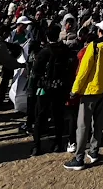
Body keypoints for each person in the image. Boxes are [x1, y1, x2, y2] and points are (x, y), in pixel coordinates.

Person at [64, 19, 103, 171]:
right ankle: (94, 151)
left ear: (100, 31)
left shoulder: (94, 46)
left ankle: (79, 157)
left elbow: (83, 71)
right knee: (98, 122)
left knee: (82, 125)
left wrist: (75, 89)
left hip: (89, 90)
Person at [30, 23, 75, 155]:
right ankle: (57, 143)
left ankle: (36, 146)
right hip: (60, 87)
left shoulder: (44, 52)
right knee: (58, 116)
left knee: (40, 116)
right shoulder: (66, 50)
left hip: (44, 88)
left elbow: (35, 71)